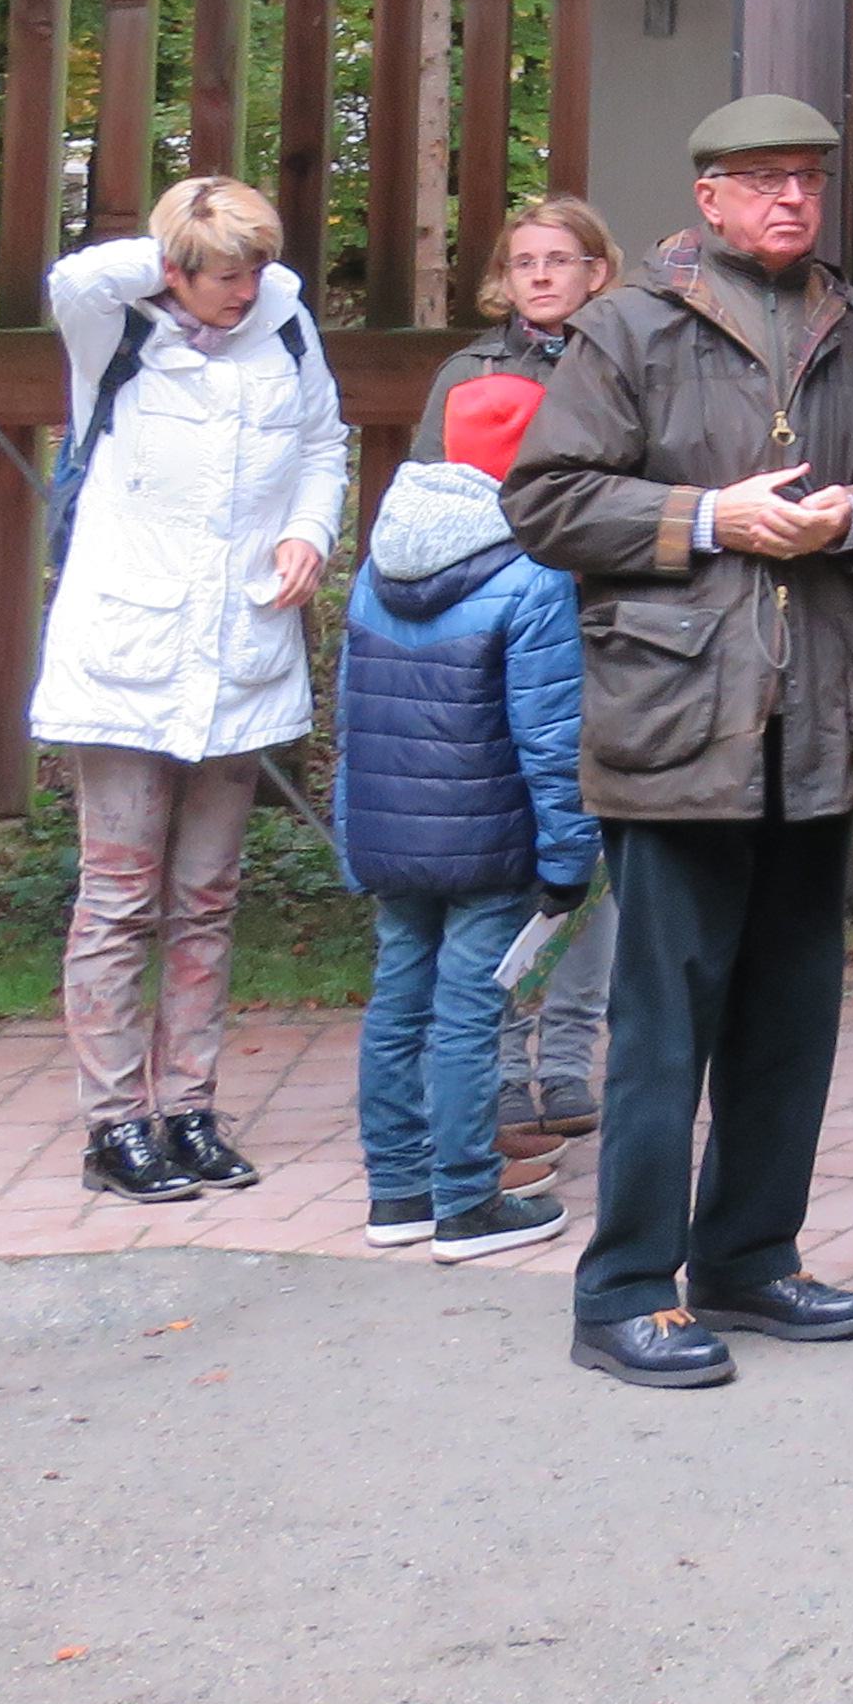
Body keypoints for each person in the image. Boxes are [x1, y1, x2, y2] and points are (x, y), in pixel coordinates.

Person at [503, 93, 853, 1391]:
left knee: (790, 1018)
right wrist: (710, 519)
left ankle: (751, 1258)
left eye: (807, 179)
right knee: (664, 1029)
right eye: (764, 180)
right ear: (707, 198)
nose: (791, 199)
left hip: (819, 719)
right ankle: (624, 1292)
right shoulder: (625, 328)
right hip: (676, 723)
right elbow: (546, 499)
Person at [28, 174, 344, 1205]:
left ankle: (190, 1111)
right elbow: (73, 279)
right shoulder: (112, 329)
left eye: (256, 271)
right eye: (221, 277)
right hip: (126, 661)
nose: (243, 293)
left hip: (239, 658)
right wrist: (180, 237)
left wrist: (308, 531)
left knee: (206, 900)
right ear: (174, 271)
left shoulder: (286, 328)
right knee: (119, 900)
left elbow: (322, 446)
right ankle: (116, 1124)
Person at [335, 367, 593, 1261]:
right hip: (491, 842)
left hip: (390, 836)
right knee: (469, 1016)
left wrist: (353, 840)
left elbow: (352, 719)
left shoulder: (377, 563)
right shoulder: (534, 573)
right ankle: (467, 1202)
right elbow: (552, 739)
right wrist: (570, 859)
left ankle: (397, 1193)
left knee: (397, 1008)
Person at [421, 192, 620, 1145]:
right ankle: (499, 1061)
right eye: (525, 261)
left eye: (560, 259)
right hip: (495, 632)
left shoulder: (626, 363)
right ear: (504, 277)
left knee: (592, 842)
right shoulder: (466, 373)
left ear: (597, 272)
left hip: (599, 627)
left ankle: (571, 1055)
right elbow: (428, 503)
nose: (541, 275)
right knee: (504, 843)